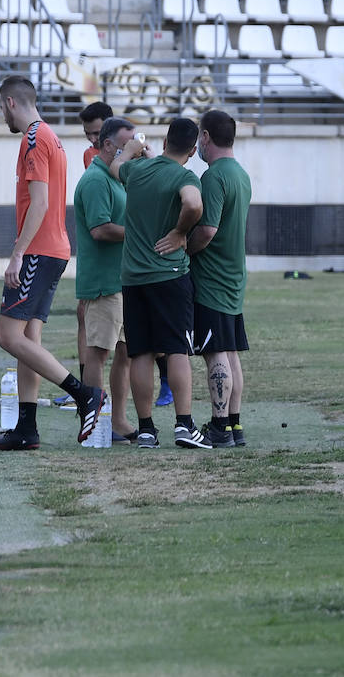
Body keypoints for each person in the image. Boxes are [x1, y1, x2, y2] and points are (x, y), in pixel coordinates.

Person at [0, 76, 104, 450]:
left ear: (9, 103)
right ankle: (27, 428)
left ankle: (85, 394)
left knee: (8, 336)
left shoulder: (33, 139)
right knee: (29, 338)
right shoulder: (52, 138)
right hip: (53, 249)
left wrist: (17, 254)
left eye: (0, 107)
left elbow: (39, 203)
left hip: (39, 251)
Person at [110, 117, 211, 449]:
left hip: (134, 279)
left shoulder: (137, 171)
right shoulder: (185, 176)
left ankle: (146, 429)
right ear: (193, 150)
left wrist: (131, 149)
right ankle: (184, 424)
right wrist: (180, 232)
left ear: (165, 141)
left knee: (140, 352)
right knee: (177, 349)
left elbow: (117, 167)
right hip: (169, 276)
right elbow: (193, 203)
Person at [187, 110, 252, 449]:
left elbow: (208, 230)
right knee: (230, 352)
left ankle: (218, 425)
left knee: (215, 354)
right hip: (233, 277)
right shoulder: (240, 173)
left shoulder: (213, 177)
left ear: (206, 137)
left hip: (211, 280)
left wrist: (184, 249)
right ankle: (233, 426)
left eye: (200, 136)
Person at [73, 115, 138, 441]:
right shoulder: (96, 180)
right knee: (99, 351)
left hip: (122, 279)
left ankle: (118, 421)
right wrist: (138, 234)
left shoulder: (115, 176)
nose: (134, 148)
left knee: (125, 352)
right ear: (108, 145)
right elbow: (100, 230)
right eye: (128, 143)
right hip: (103, 281)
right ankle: (95, 424)